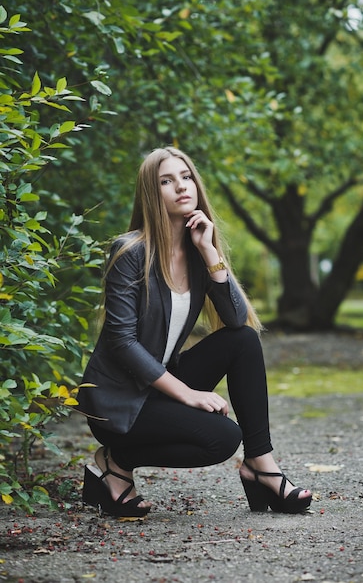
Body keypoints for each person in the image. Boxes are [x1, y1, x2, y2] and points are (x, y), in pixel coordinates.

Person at [77, 146, 312, 518]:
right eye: (166, 181)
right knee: (222, 438)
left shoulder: (199, 250)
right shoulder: (130, 252)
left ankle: (260, 464)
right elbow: (122, 342)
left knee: (243, 340)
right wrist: (187, 394)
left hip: (157, 385)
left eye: (186, 177)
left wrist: (209, 252)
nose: (181, 187)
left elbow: (236, 320)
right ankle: (114, 460)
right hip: (119, 401)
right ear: (152, 194)